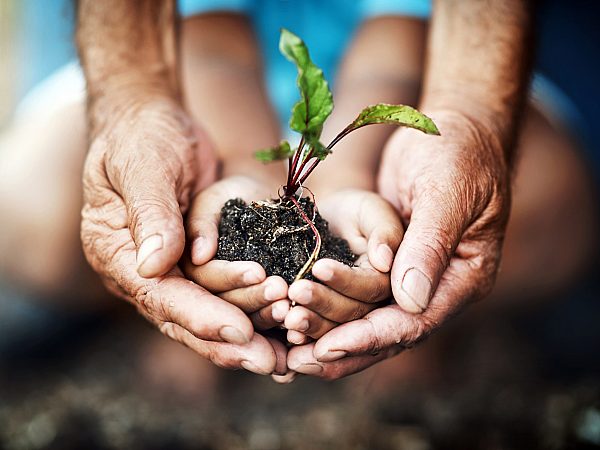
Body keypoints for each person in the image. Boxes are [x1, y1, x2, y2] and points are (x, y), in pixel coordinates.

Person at [1, 0, 597, 382]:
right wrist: (236, 168)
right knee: (33, 207)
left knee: (549, 205)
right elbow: (211, 47)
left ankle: (434, 330)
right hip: (191, 98)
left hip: (402, 111)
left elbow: (392, 55)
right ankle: (153, 315)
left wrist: (348, 179)